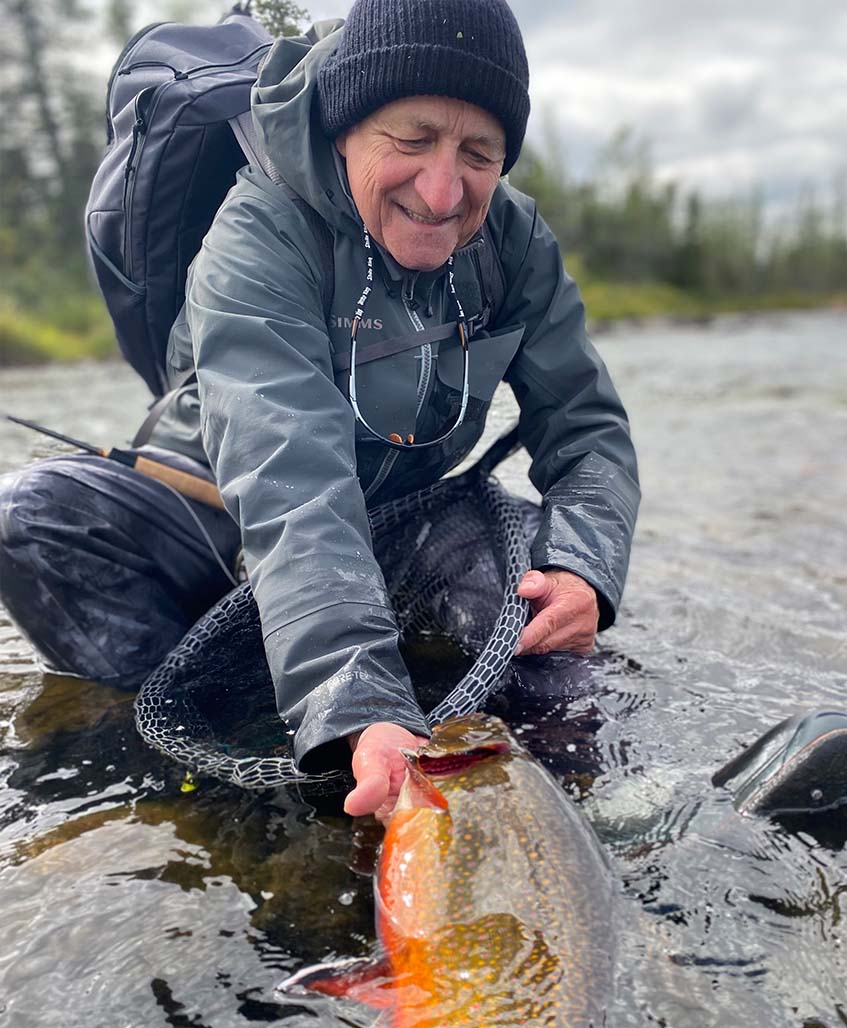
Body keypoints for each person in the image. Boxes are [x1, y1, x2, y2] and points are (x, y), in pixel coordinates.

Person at [0, 0, 641, 816]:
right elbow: (292, 481)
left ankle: (606, 807)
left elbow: (587, 429)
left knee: (528, 609)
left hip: (400, 518)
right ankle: (208, 791)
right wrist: (358, 698)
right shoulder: (257, 235)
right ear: (345, 126)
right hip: (224, 505)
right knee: (34, 519)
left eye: (478, 152)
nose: (443, 190)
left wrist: (584, 566)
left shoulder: (512, 241)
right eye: (411, 140)